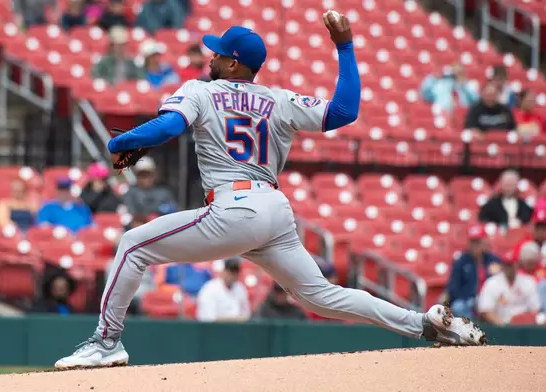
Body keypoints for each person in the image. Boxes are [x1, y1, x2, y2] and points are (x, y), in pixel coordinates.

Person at [55, 15, 486, 369]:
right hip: (274, 210)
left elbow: (169, 126)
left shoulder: (201, 90)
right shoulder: (278, 99)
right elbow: (344, 111)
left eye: (219, 52)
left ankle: (107, 342)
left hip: (234, 208)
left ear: (232, 64)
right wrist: (345, 47)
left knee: (133, 245)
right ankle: (424, 323)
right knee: (323, 296)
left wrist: (119, 142)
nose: (212, 55)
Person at [446, 225, 501, 319]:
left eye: (478, 242)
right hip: (468, 300)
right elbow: (453, 287)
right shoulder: (461, 262)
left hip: (489, 299)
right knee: (458, 306)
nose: (475, 246)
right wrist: (468, 298)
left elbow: (500, 282)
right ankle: (471, 331)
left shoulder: (493, 260)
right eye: (473, 242)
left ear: (484, 242)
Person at [477, 251, 541, 325]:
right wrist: (503, 326)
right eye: (507, 264)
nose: (509, 267)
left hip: (524, 326)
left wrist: (525, 320)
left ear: (517, 264)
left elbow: (535, 308)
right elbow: (485, 310)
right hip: (500, 325)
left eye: (511, 264)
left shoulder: (528, 281)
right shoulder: (492, 283)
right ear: (502, 265)